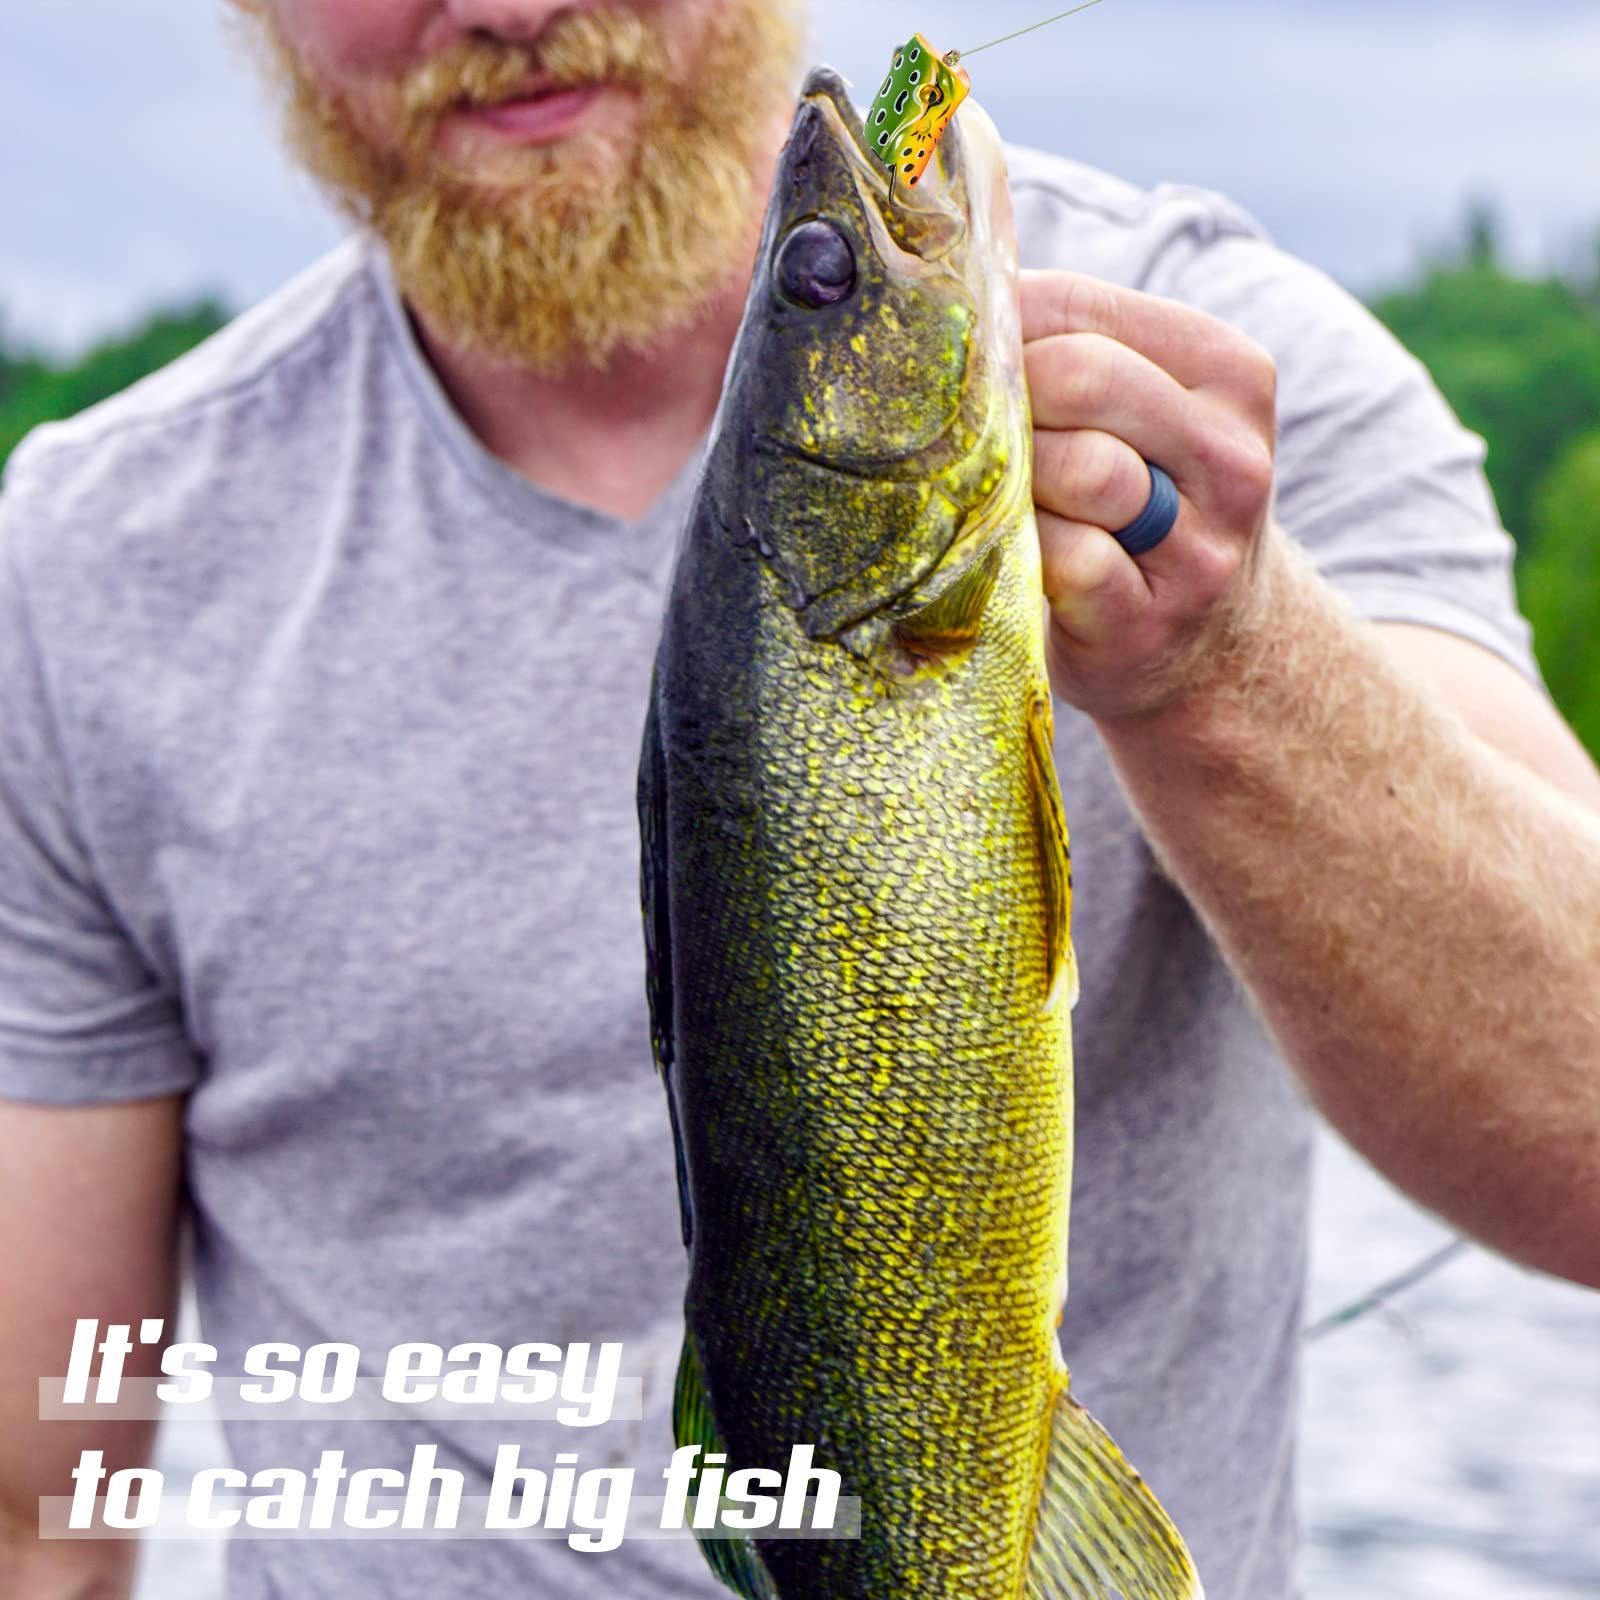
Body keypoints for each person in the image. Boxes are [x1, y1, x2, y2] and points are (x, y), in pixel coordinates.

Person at [2, 2, 1597, 1597]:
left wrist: (1230, 662)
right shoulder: (80, 563)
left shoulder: (1227, 379)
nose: (501, 7)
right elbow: (37, 1506)